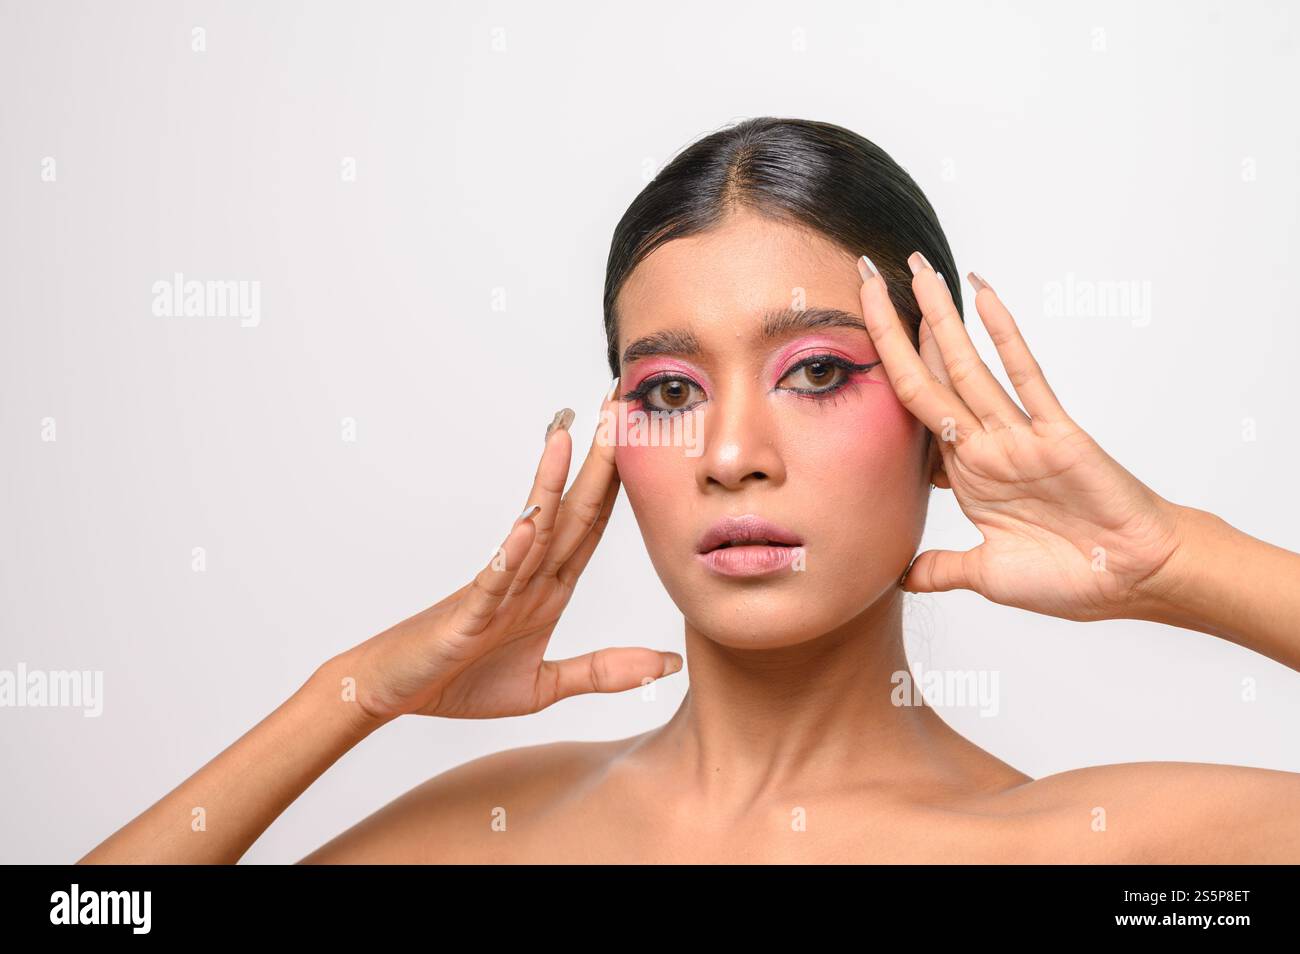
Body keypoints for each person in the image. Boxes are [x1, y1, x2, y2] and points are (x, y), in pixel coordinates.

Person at [79, 117, 1300, 864]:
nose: (730, 453)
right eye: (667, 392)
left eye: (817, 371)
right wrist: (345, 696)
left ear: (939, 414)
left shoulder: (1115, 861)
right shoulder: (485, 840)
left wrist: (1176, 564)